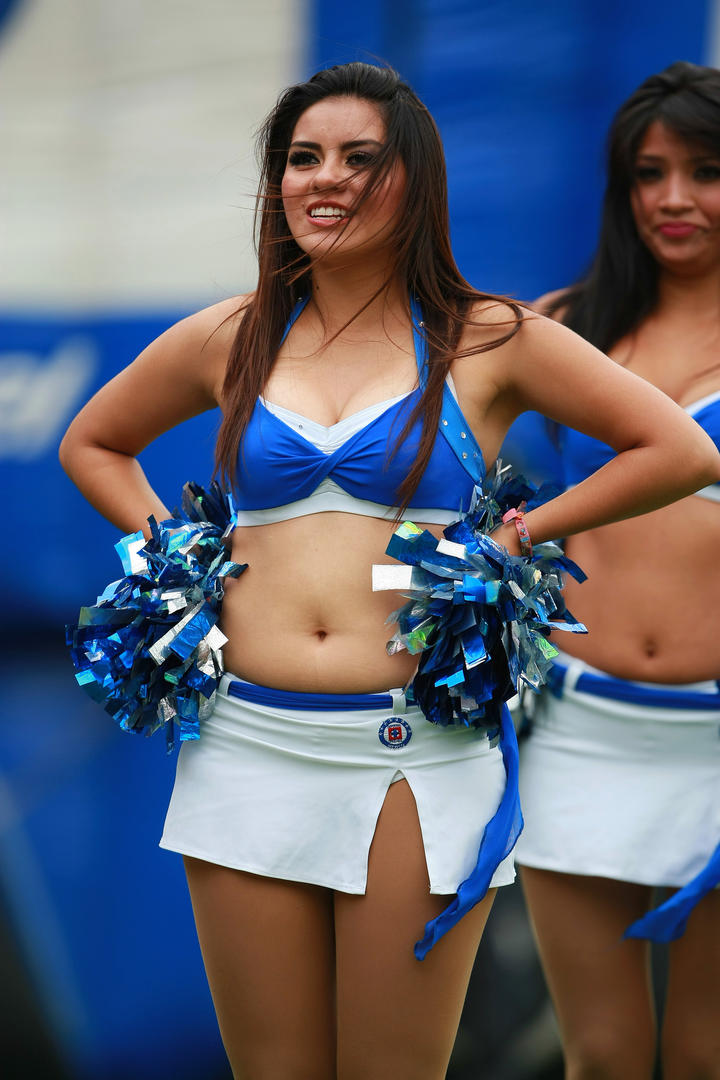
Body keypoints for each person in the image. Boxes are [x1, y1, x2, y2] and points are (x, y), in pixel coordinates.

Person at [58, 62, 720, 1080]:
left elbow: (678, 451)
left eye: (361, 159)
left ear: (414, 181)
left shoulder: (488, 337)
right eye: (302, 159)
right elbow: (94, 441)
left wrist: (519, 533)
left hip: (414, 755)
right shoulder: (233, 334)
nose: (326, 180)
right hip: (245, 745)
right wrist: (177, 558)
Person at [516, 61, 720, 1080]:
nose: (673, 198)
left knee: (703, 1054)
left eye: (706, 170)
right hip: (579, 727)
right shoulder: (562, 325)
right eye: (649, 173)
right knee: (600, 1057)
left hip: (718, 746)